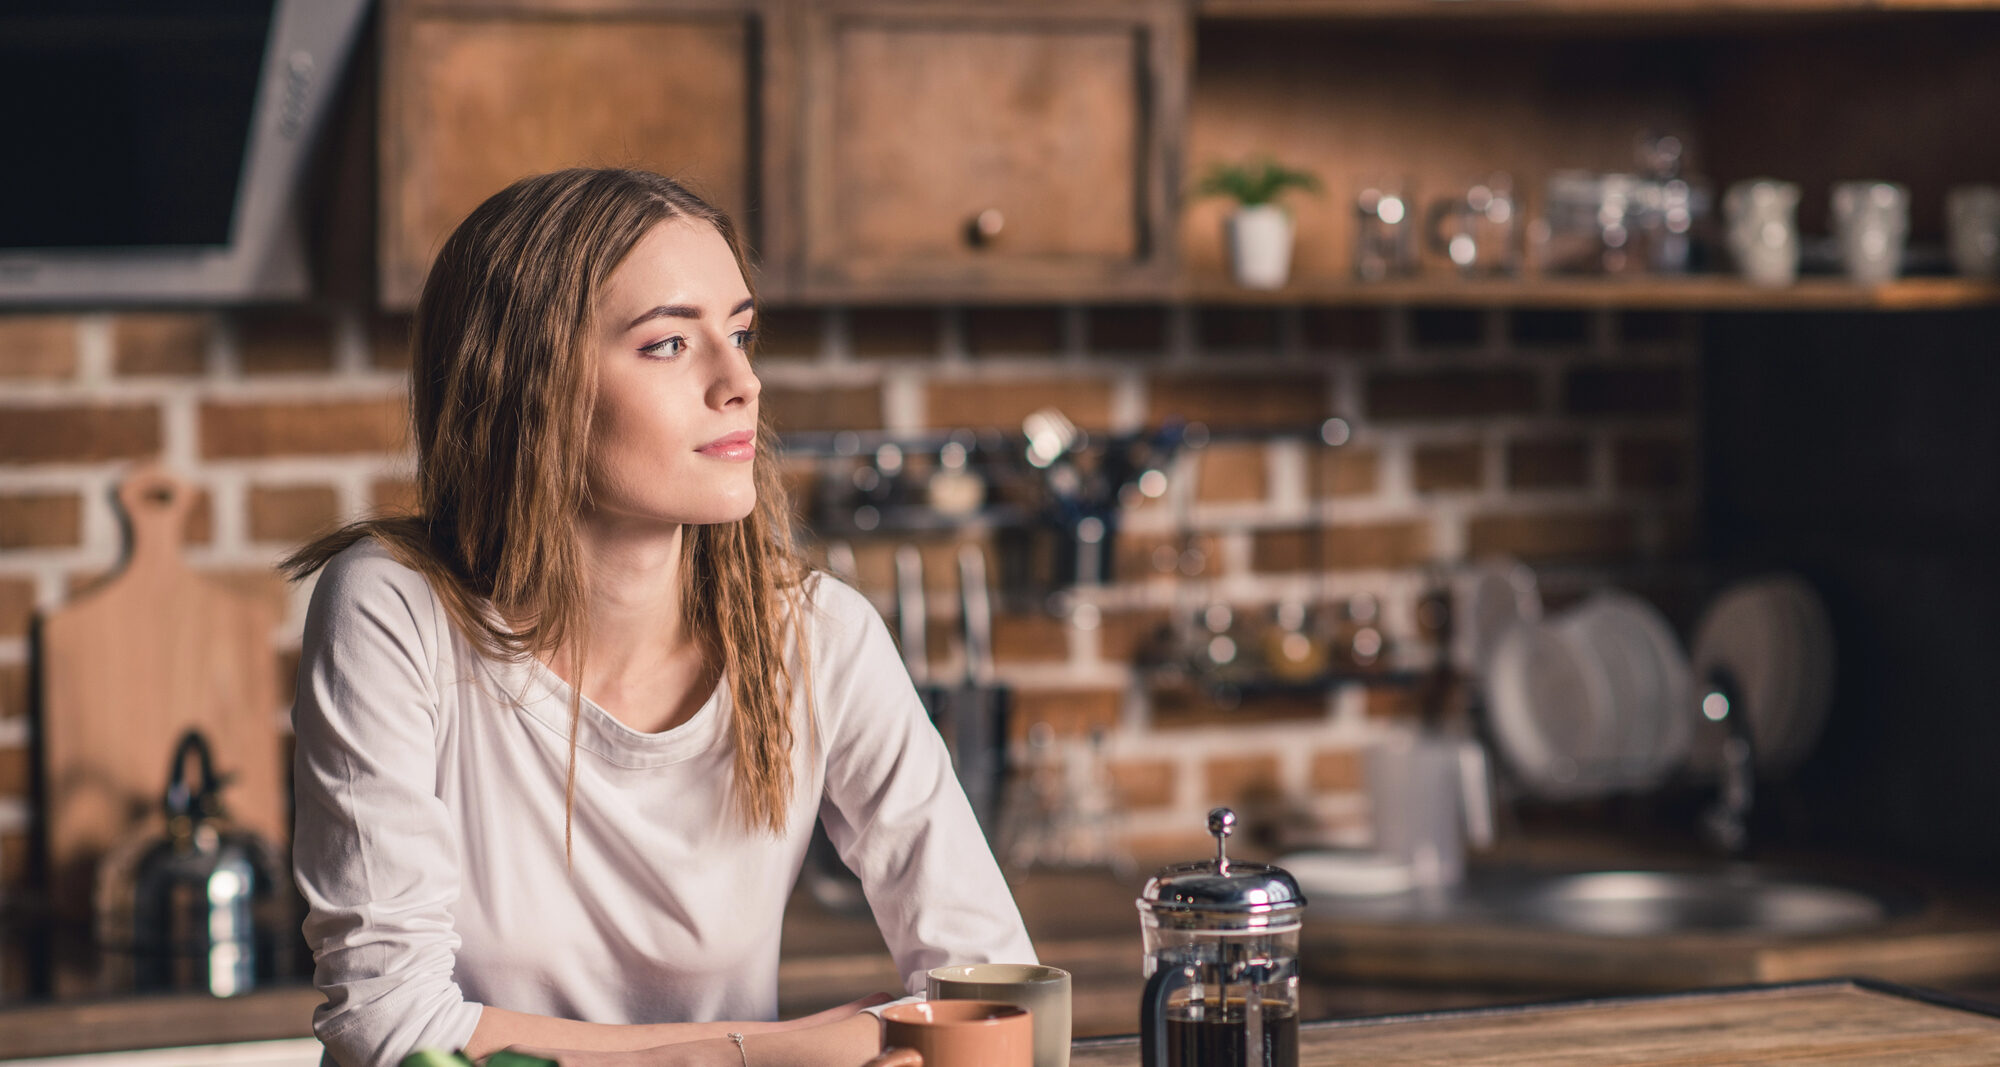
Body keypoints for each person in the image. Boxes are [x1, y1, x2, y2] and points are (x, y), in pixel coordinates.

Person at [283, 168, 1036, 1067]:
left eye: (742, 334)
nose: (740, 383)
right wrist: (778, 1050)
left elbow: (992, 991)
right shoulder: (393, 607)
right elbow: (393, 1030)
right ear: (531, 384)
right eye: (669, 345)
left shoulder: (818, 636)